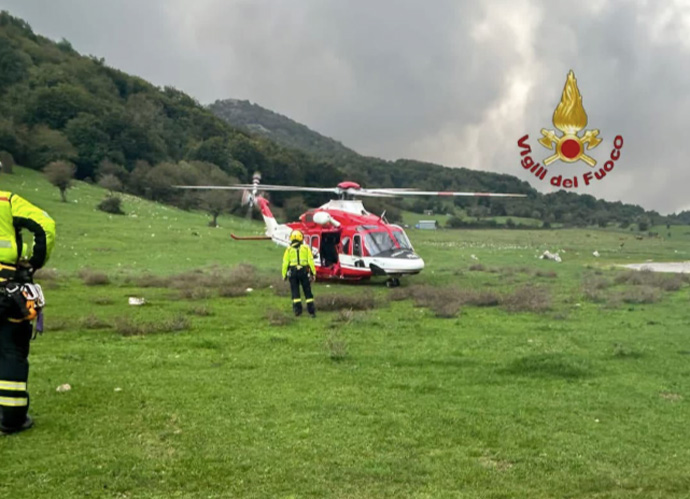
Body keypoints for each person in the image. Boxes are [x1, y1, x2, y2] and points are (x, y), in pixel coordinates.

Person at [0, 190, 55, 434]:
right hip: (5, 286)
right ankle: (11, 419)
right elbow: (45, 224)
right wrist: (35, 262)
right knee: (11, 349)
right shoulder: (6, 200)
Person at [282, 229, 316, 318]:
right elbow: (311, 261)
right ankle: (311, 311)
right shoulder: (306, 248)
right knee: (307, 292)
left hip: (293, 273)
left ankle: (297, 311)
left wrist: (284, 275)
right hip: (304, 272)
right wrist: (313, 273)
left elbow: (285, 263)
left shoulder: (288, 250)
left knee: (295, 292)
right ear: (301, 238)